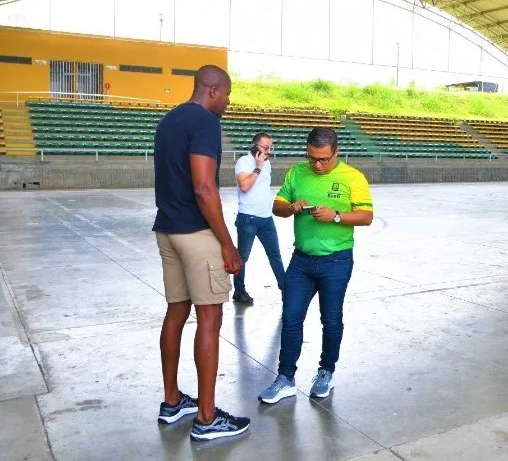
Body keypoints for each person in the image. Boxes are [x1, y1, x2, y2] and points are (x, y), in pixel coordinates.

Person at [153, 64, 250, 442]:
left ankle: (172, 401)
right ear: (213, 91)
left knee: (176, 312)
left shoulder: (169, 120)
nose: (227, 102)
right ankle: (207, 418)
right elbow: (204, 188)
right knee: (210, 319)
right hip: (196, 233)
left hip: (167, 230)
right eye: (227, 95)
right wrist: (227, 242)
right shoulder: (206, 122)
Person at [258, 127, 374, 404]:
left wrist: (336, 216)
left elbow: (366, 216)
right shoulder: (297, 172)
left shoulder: (353, 177)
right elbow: (277, 206)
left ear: (336, 152)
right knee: (291, 318)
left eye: (324, 159)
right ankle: (285, 378)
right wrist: (292, 207)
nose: (318, 165)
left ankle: (326, 372)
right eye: (312, 158)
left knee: (330, 320)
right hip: (301, 261)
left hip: (336, 261)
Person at [233, 132, 285, 304]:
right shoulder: (244, 161)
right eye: (265, 147)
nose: (268, 151)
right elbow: (244, 186)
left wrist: (262, 164)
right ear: (255, 146)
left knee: (275, 255)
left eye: (271, 147)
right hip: (248, 217)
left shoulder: (267, 163)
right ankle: (239, 291)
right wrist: (258, 166)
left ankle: (286, 289)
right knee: (242, 257)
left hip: (266, 218)